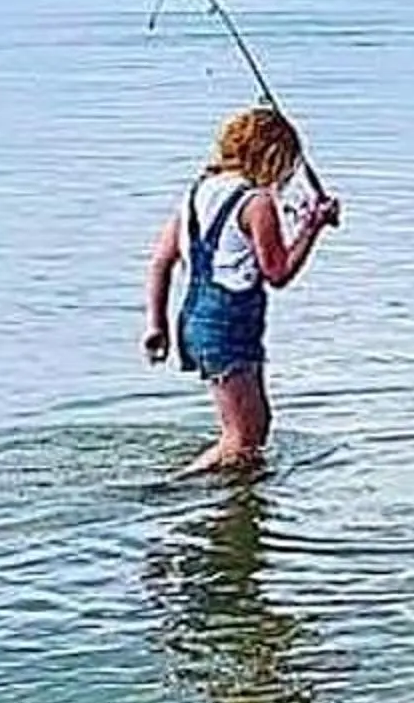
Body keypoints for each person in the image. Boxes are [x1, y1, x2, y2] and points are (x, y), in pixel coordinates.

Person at [141, 106, 340, 477]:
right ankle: (169, 489)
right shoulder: (256, 203)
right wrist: (313, 226)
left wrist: (157, 325)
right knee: (242, 438)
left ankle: (239, 493)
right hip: (227, 324)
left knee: (257, 426)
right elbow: (277, 273)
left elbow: (161, 261)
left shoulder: (195, 193)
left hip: (196, 319)